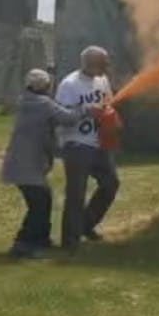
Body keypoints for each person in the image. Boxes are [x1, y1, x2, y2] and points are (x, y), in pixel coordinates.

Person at [1, 68, 95, 259]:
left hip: (20, 163)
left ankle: (40, 240)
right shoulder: (42, 103)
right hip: (27, 165)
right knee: (39, 204)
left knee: (42, 201)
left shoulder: (25, 100)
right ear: (45, 86)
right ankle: (24, 244)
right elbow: (67, 118)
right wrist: (85, 109)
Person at [56, 46, 119, 250]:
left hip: (100, 143)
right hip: (77, 145)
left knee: (110, 184)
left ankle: (85, 225)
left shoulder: (102, 80)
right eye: (104, 63)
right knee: (76, 193)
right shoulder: (69, 84)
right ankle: (70, 241)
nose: (107, 67)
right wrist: (84, 111)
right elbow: (61, 116)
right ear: (90, 64)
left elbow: (108, 103)